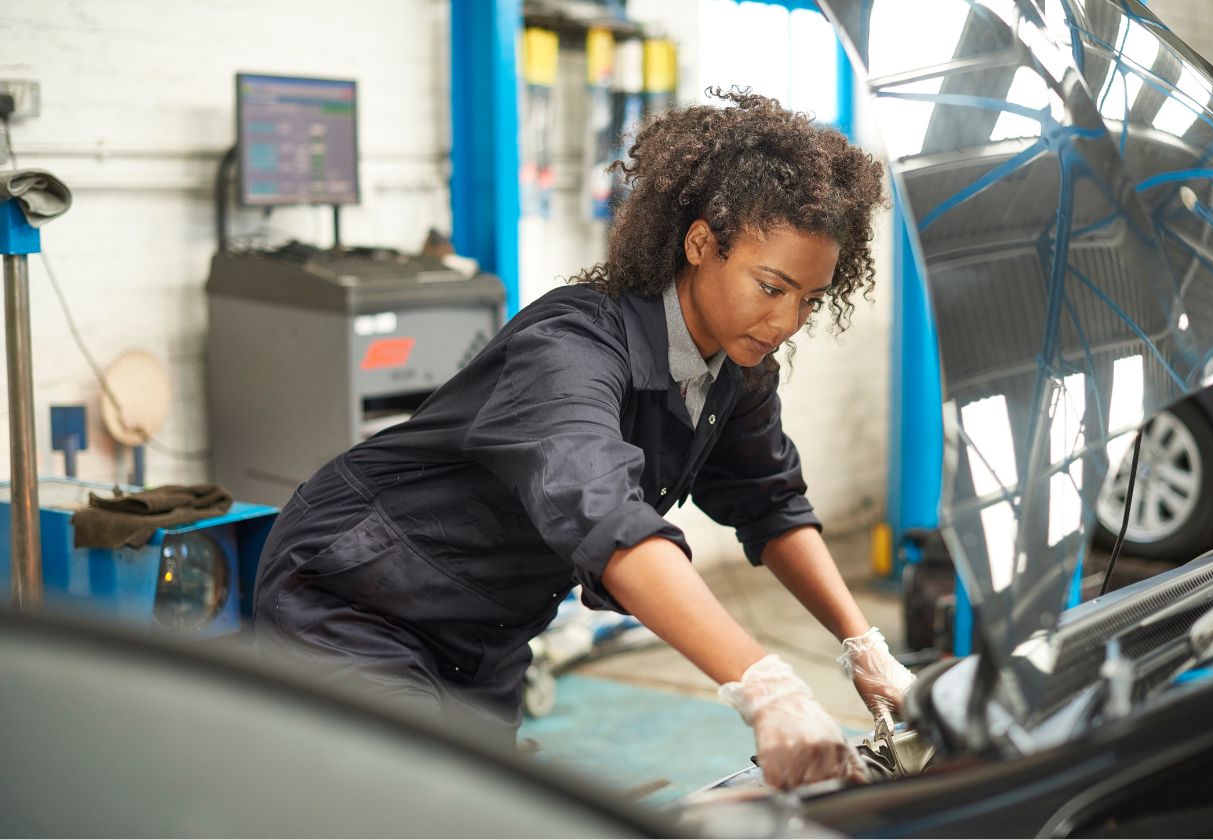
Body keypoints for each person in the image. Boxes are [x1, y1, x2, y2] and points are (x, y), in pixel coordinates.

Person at [253, 88, 915, 791]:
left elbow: (771, 504)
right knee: (409, 804)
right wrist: (764, 686)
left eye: (810, 299)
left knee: (477, 803)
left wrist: (864, 647)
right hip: (356, 593)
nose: (786, 322)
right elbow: (604, 516)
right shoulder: (569, 348)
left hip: (487, 628)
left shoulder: (735, 373)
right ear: (700, 244)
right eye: (771, 287)